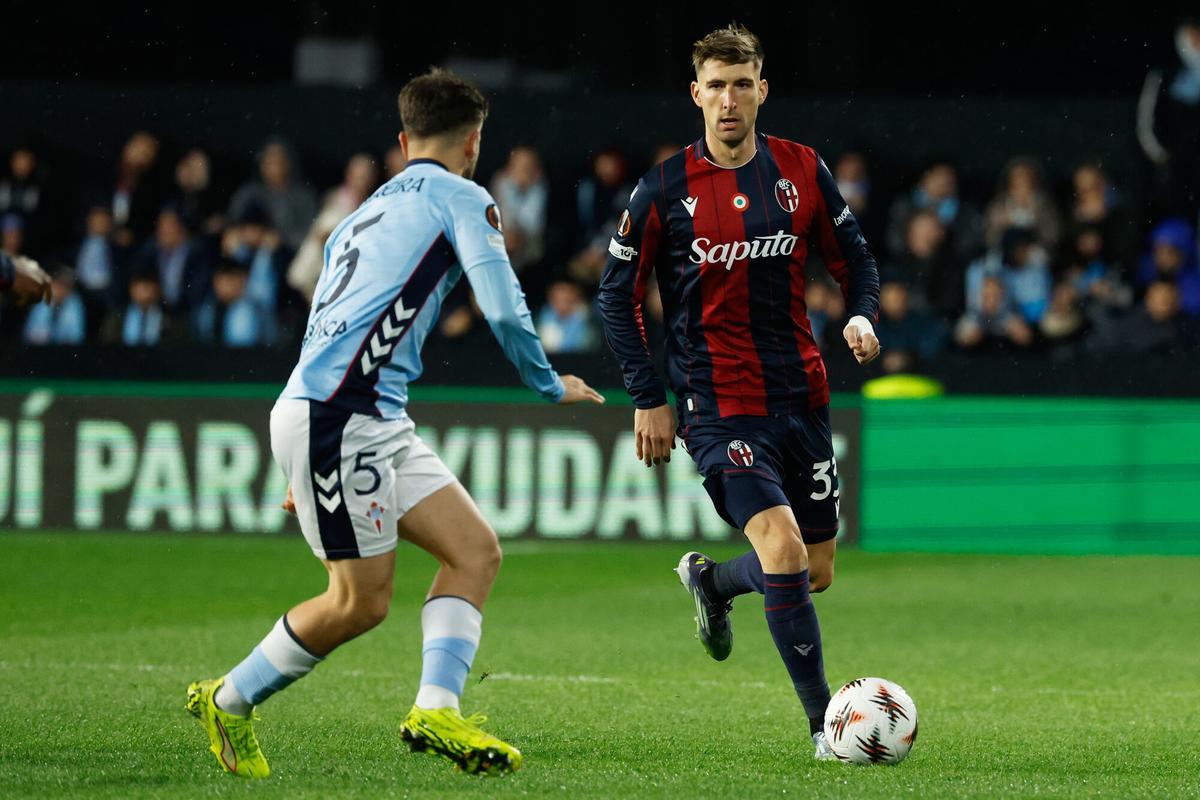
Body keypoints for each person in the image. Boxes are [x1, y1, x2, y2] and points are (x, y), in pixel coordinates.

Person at [185, 68, 603, 780]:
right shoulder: (465, 198)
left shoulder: (360, 213)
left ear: (404, 141)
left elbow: (326, 317)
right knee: (359, 601)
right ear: (474, 141)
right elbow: (501, 306)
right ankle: (227, 699)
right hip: (341, 418)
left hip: (353, 414)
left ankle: (435, 708)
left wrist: (306, 452)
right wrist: (547, 382)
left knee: (474, 552)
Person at [597, 23, 880, 761]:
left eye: (741, 83)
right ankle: (827, 730)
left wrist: (859, 313)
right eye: (715, 86)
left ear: (762, 89)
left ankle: (714, 583)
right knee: (783, 548)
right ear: (696, 94)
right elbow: (614, 293)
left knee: (813, 571)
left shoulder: (801, 169)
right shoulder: (664, 188)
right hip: (716, 407)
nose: (729, 99)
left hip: (803, 396)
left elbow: (855, 259)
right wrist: (647, 396)